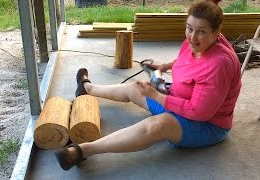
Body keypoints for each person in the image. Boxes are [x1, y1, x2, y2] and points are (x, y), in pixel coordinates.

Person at [56, 0, 241, 171]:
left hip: (207, 125)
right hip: (179, 101)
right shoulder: (199, 43)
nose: (193, 37)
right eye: (189, 28)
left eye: (201, 31)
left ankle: (83, 151)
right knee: (136, 87)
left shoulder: (219, 64)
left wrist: (157, 96)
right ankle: (87, 89)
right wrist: (164, 66)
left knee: (157, 125)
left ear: (217, 33)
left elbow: (199, 112)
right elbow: (186, 60)